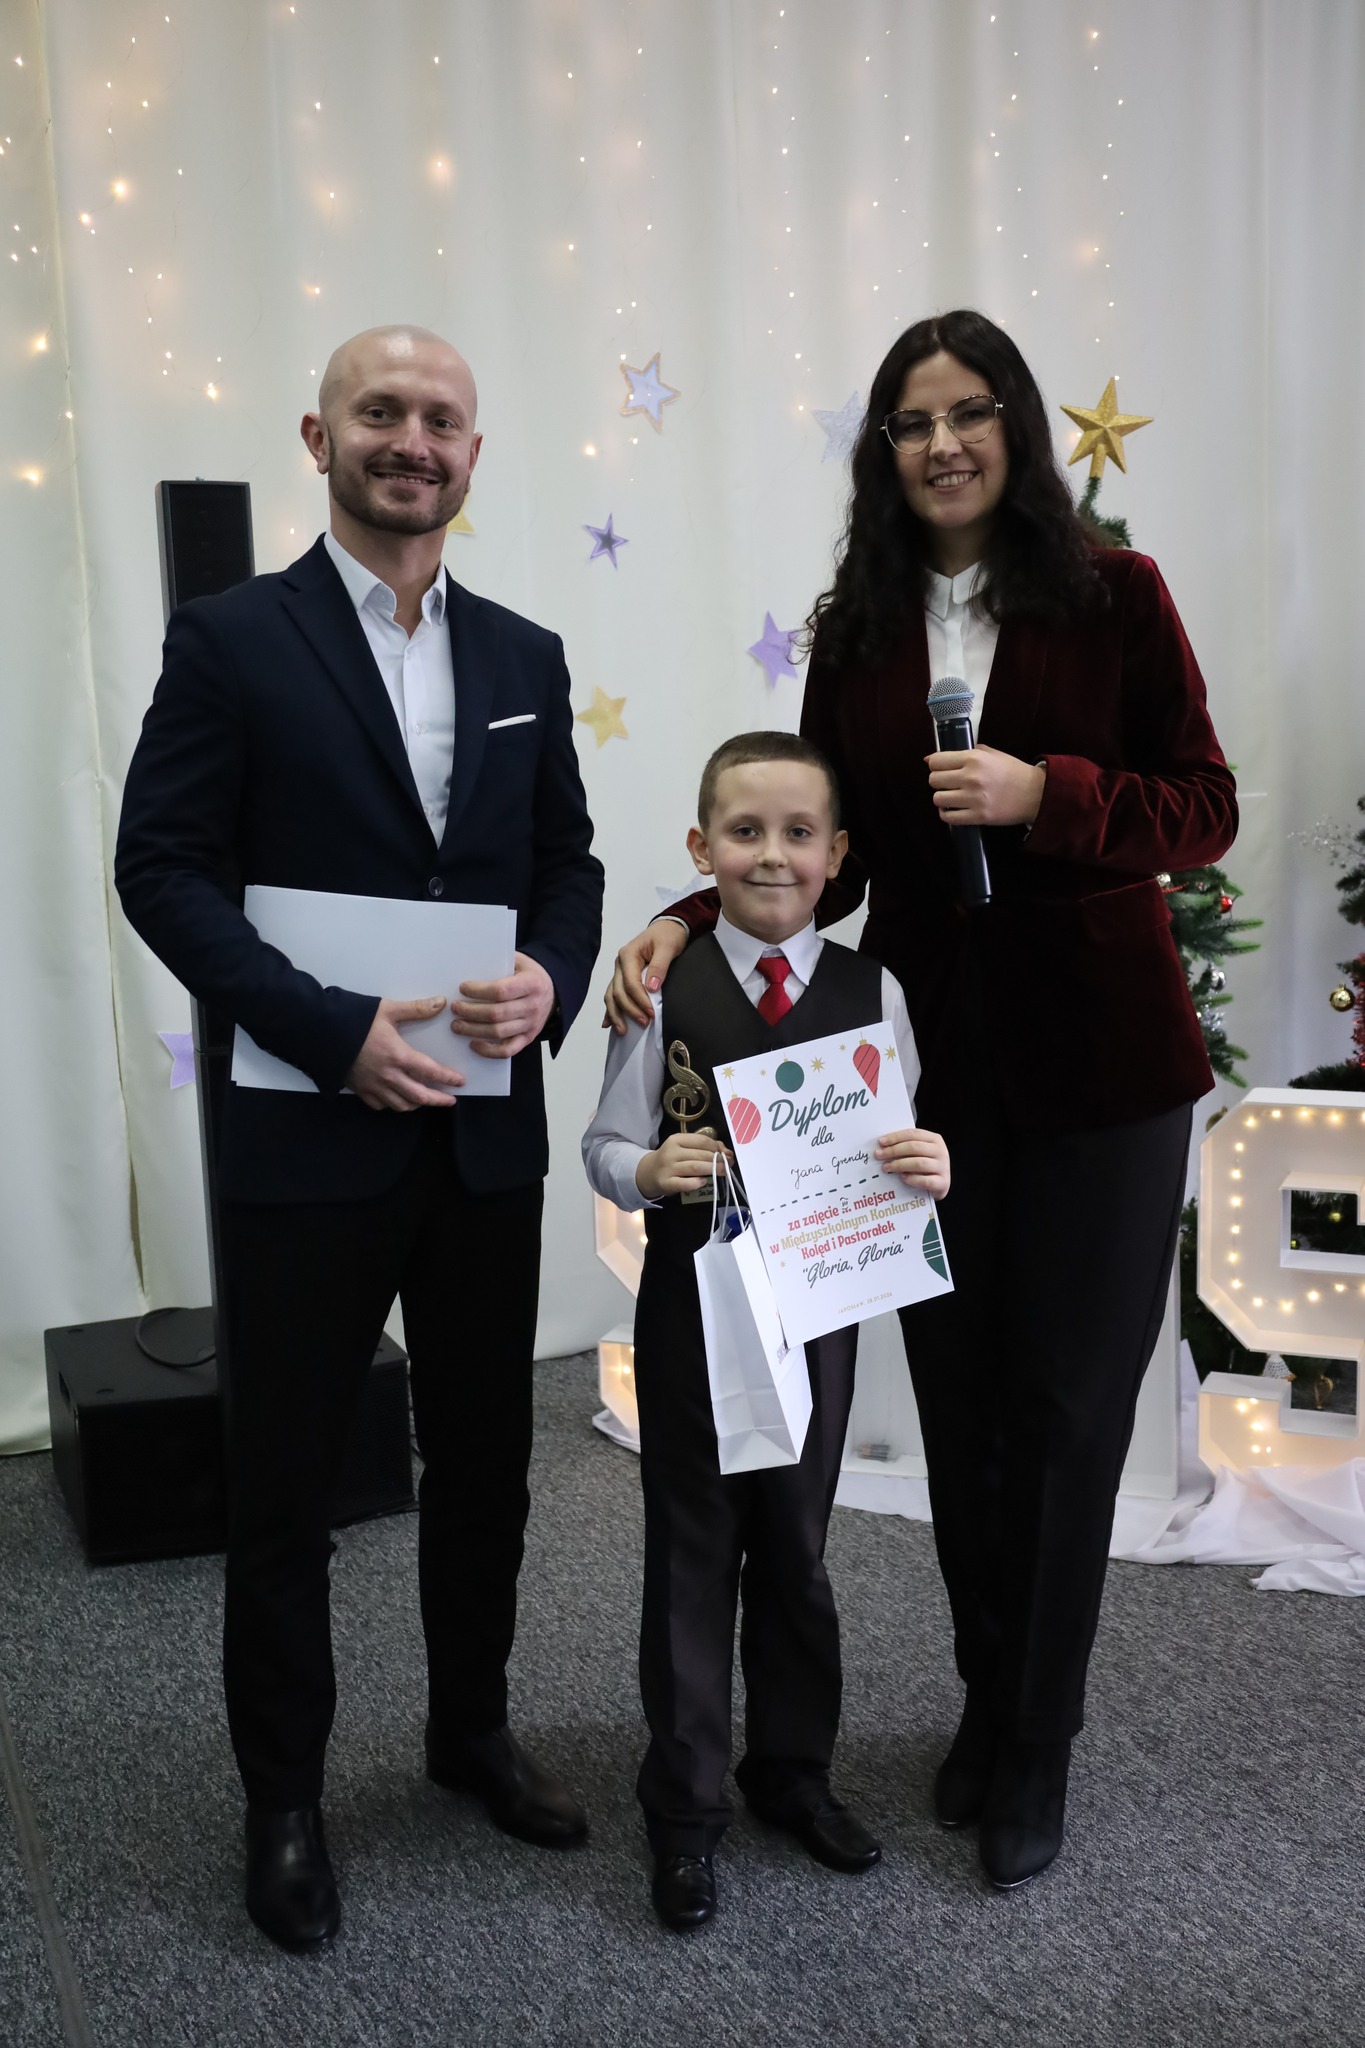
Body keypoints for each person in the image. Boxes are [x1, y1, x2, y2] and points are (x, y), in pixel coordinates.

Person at [605, 310, 1237, 1892]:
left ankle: (1038, 1742)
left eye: (968, 413)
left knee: (1069, 1417)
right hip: (922, 1076)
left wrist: (1049, 795)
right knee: (961, 1413)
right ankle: (981, 1693)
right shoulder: (865, 627)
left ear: (1014, 424)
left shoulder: (1116, 595)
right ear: (882, 452)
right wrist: (683, 920)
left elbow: (1205, 807)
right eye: (910, 422)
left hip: (1103, 1074)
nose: (941, 444)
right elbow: (826, 857)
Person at [116, 325, 604, 1950]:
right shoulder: (231, 640)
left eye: (441, 419)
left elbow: (566, 864)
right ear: (319, 438)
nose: (413, 440)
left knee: (487, 1466)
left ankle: (470, 1734)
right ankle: (285, 1799)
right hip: (305, 1138)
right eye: (379, 412)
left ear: (476, 453)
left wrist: (553, 971)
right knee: (285, 1491)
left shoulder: (526, 655)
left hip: (480, 1137)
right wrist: (331, 1031)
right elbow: (162, 867)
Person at [585, 732, 950, 1930]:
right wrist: (646, 1168)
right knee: (694, 1547)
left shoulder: (873, 993)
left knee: (796, 1539)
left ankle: (792, 1770)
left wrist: (930, 1166)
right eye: (746, 831)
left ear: (837, 854)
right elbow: (602, 1142)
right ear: (703, 848)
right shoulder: (660, 987)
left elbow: (897, 1146)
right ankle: (685, 1809)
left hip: (818, 1312)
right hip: (691, 1303)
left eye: (800, 833)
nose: (773, 855)